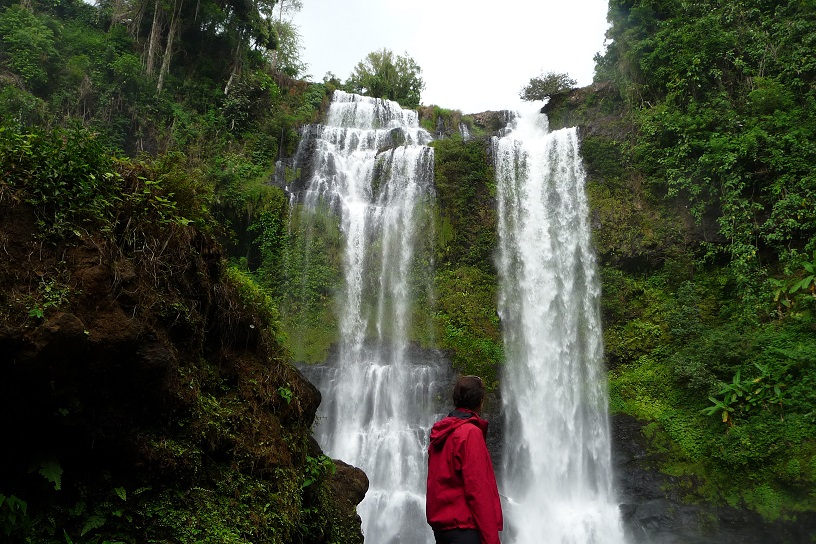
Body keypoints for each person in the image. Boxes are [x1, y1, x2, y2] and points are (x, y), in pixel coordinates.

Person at [426, 375, 503, 544]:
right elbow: (478, 490)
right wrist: (492, 540)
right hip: (464, 527)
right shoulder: (469, 433)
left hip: (443, 529)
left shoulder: (442, 432)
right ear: (481, 401)